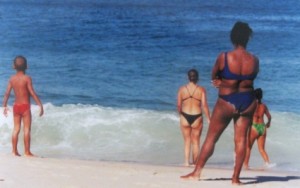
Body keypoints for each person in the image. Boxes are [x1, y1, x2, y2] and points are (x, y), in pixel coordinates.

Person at [181, 21, 259, 184]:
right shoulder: (254, 60)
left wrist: (221, 83)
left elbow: (214, 76)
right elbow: (250, 79)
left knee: (211, 138)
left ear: (233, 37)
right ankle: (236, 178)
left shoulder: (224, 57)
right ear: (247, 38)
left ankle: (197, 172)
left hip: (226, 102)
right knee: (241, 140)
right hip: (247, 102)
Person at [2, 56, 44, 157]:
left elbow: (7, 93)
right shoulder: (27, 78)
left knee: (16, 129)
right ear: (27, 66)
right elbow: (32, 92)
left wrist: (4, 105)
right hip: (25, 106)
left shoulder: (12, 79)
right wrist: (40, 105)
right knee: (26, 129)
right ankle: (27, 152)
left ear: (13, 66)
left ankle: (14, 151)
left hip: (16, 106)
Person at [177, 69, 211, 166]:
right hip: (197, 116)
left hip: (184, 115)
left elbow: (179, 105)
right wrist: (209, 118)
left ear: (188, 77)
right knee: (196, 141)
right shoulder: (201, 90)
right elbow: (204, 105)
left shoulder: (182, 89)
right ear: (197, 78)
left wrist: (181, 115)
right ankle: (195, 163)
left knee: (187, 140)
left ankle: (186, 162)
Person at [243, 88, 272, 169]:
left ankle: (246, 165)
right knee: (262, 149)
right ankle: (268, 163)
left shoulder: (251, 105)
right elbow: (269, 117)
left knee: (248, 147)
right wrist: (268, 123)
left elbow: (245, 114)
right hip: (262, 127)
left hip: (254, 127)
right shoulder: (264, 106)